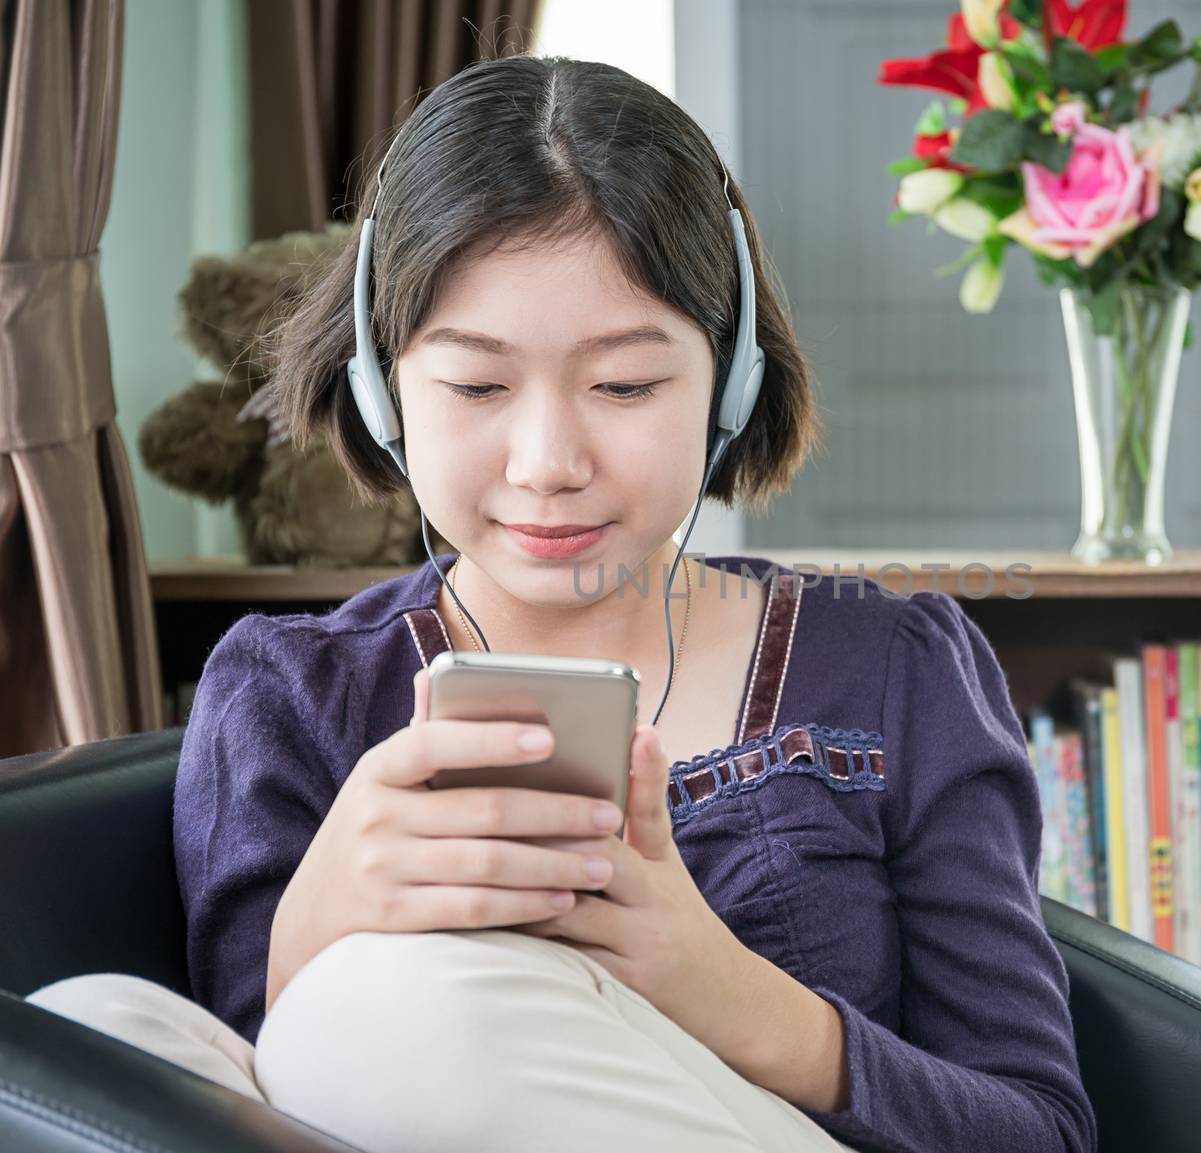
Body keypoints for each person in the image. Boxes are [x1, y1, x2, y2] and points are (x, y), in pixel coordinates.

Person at [25, 51, 1096, 1153]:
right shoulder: (290, 694)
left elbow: (1035, 1131)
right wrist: (314, 930)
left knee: (393, 1012)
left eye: (625, 385)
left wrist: (732, 999)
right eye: (477, 385)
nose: (547, 461)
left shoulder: (891, 664)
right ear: (380, 388)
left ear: (730, 381)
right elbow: (266, 1089)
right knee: (92, 1032)